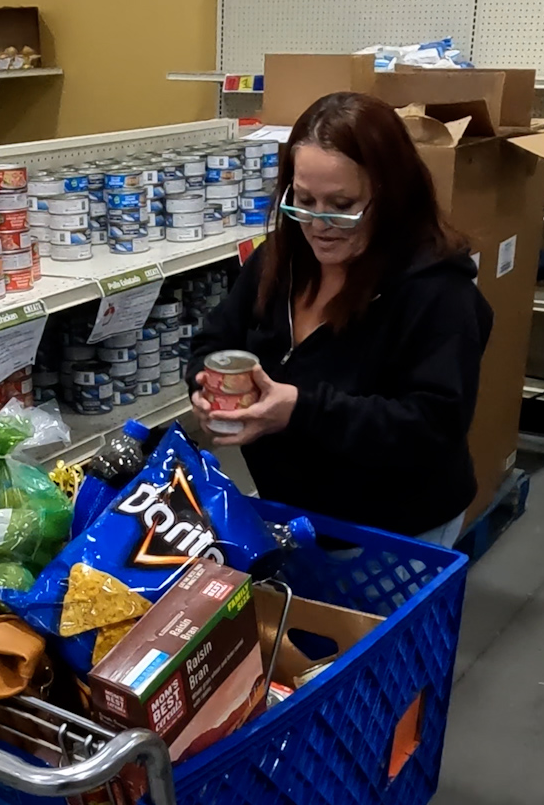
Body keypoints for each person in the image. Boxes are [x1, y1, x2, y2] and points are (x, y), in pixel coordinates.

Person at [187, 91, 491, 546]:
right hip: (295, 519)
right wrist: (208, 387)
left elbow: (431, 426)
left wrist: (299, 410)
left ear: (390, 196)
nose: (317, 223)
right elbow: (214, 341)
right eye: (303, 199)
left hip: (393, 530)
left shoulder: (438, 294)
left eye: (342, 205)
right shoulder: (279, 263)